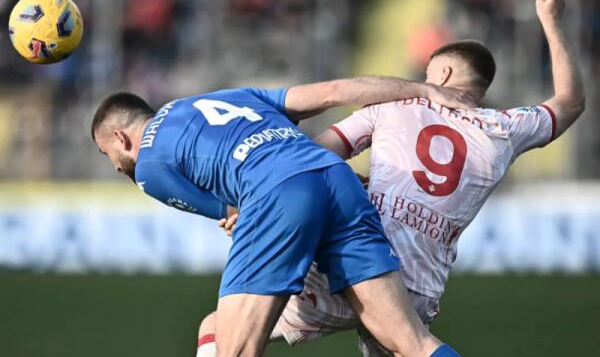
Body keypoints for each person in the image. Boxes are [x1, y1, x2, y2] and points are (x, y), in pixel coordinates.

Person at [196, 0, 585, 356]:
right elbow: (570, 103)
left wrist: (253, 204)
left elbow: (310, 158)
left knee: (219, 328)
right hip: (418, 282)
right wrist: (551, 21)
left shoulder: (392, 106)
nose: (421, 79)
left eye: (427, 72)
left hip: (354, 255)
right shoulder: (506, 128)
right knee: (414, 345)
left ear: (444, 75)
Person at [92, 73, 474, 356]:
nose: (116, 167)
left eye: (107, 154)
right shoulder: (232, 96)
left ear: (120, 139)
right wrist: (425, 89)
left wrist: (241, 213)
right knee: (410, 341)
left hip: (278, 192)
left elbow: (234, 212)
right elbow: (334, 91)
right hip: (336, 177)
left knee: (232, 349)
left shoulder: (149, 167)